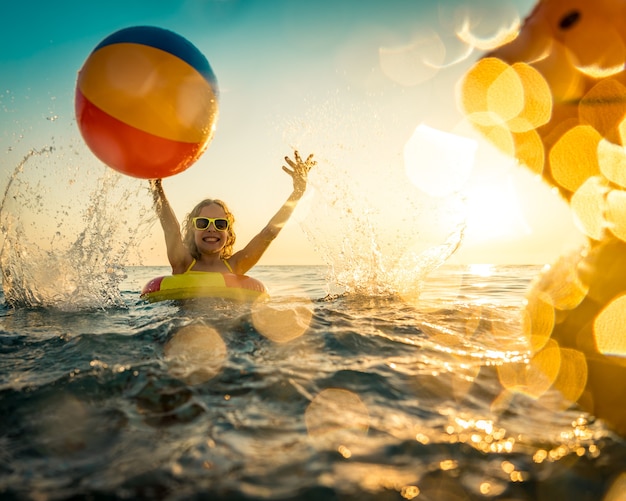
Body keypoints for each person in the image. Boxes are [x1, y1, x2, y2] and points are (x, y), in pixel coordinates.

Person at [149, 150, 315, 276]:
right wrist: (156, 186)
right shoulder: (183, 263)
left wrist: (297, 193)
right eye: (203, 223)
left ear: (228, 232)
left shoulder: (237, 265)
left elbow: (268, 234)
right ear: (192, 229)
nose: (212, 229)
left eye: (220, 224)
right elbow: (171, 230)